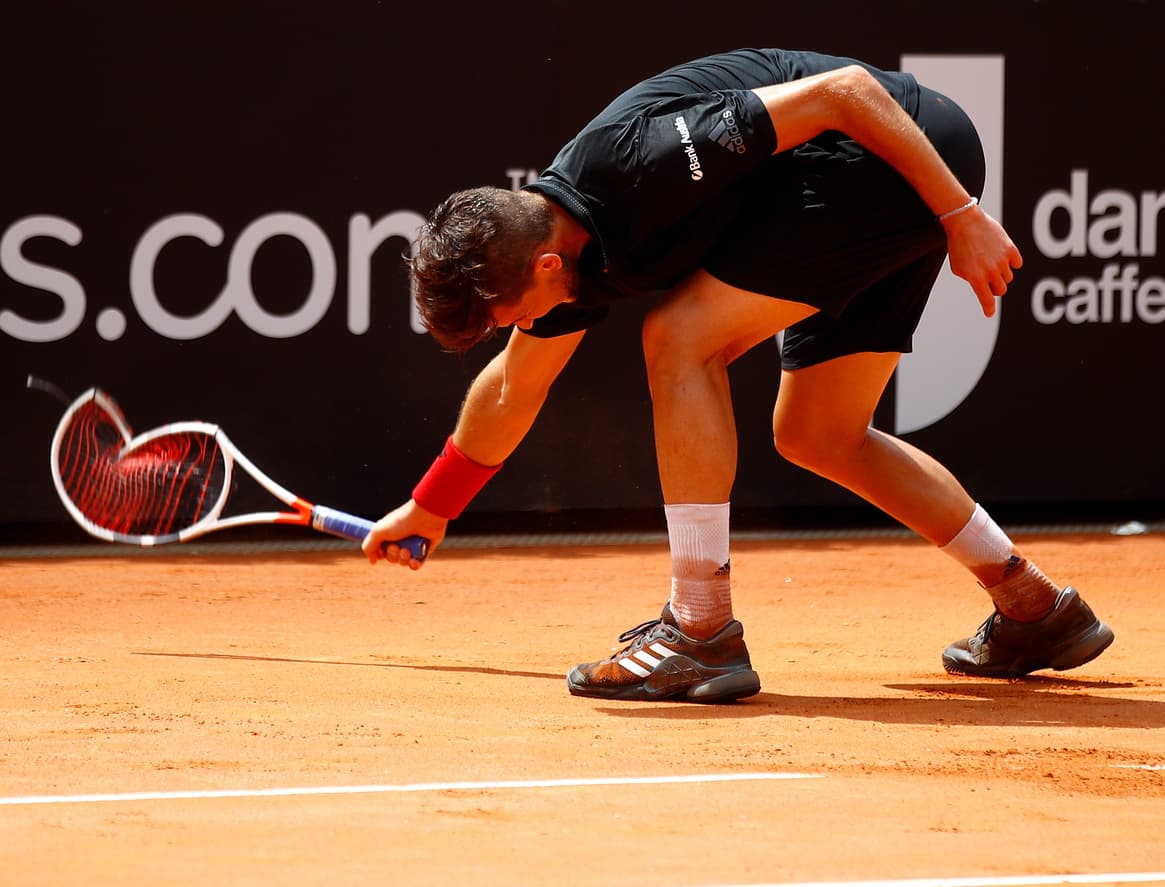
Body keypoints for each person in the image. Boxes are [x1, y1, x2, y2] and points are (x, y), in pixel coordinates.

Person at [361, 48, 1114, 702]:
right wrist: (433, 506)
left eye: (504, 317)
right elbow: (512, 387)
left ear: (544, 264)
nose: (516, 331)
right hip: (843, 187)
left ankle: (700, 626)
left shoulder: (640, 160)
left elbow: (843, 92)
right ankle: (1032, 604)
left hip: (894, 147)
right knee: (819, 434)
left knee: (679, 337)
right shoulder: (554, 258)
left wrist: (960, 214)